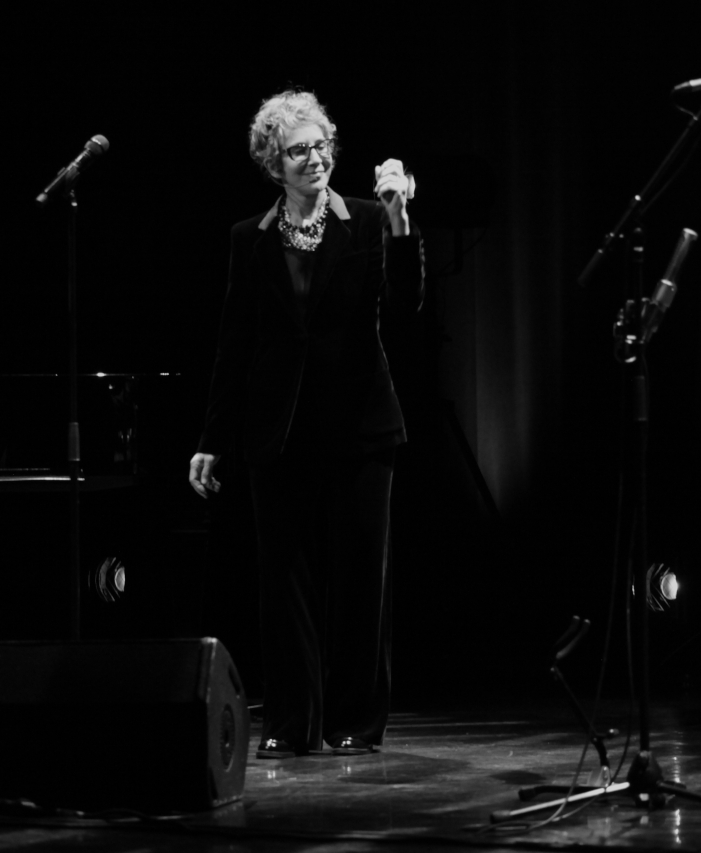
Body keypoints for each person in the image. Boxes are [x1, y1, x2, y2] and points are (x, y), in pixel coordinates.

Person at [188, 90, 425, 757]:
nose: (315, 158)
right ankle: (292, 722)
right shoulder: (250, 237)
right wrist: (212, 439)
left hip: (360, 427)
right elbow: (235, 342)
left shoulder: (369, 218)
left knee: (360, 580)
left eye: (322, 145)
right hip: (279, 429)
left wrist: (401, 219)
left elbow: (405, 306)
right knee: (283, 581)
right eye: (299, 150)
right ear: (274, 163)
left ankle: (354, 720)